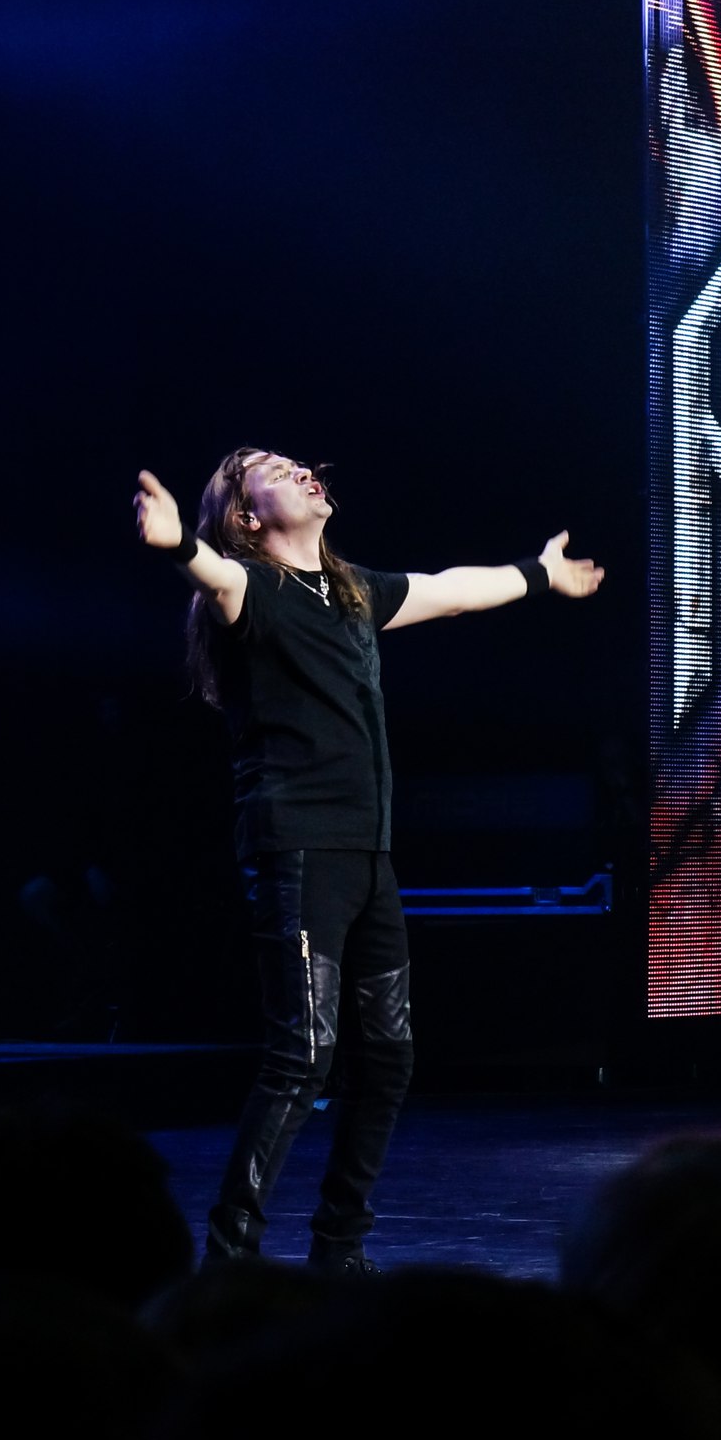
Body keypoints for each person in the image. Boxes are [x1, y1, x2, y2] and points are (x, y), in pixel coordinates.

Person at [131, 450, 602, 1270]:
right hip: (298, 848)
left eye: (299, 462)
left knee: (387, 1057)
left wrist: (539, 574)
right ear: (247, 516)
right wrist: (176, 544)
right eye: (274, 470)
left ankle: (339, 1248)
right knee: (301, 1057)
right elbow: (212, 574)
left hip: (369, 853)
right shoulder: (254, 589)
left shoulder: (352, 592)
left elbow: (452, 589)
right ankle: (229, 1259)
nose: (302, 470)